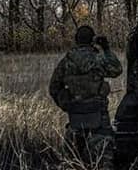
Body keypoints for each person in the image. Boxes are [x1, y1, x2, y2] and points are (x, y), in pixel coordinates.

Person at [49, 25, 123, 169]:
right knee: (104, 155)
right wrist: (106, 49)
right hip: (98, 114)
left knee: (73, 158)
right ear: (92, 41)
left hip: (75, 116)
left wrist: (66, 103)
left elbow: (54, 88)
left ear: (76, 40)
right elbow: (117, 70)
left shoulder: (66, 62)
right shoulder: (98, 59)